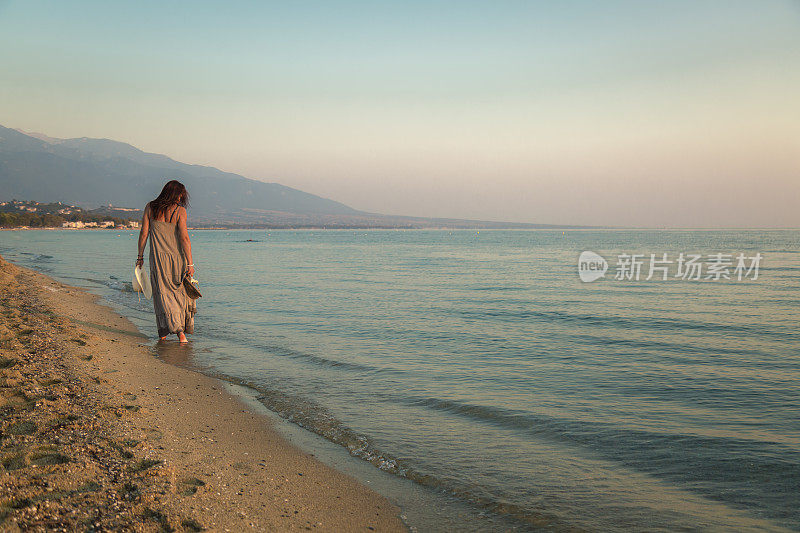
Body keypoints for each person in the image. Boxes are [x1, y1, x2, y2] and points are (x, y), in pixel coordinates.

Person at [136, 180, 195, 343]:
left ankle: (163, 331)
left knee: (161, 294)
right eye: (182, 194)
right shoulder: (180, 211)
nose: (182, 197)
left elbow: (143, 234)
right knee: (177, 295)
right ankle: (180, 332)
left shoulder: (150, 207)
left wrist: (139, 257)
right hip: (177, 259)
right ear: (177, 194)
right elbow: (184, 238)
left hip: (158, 259)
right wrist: (190, 263)